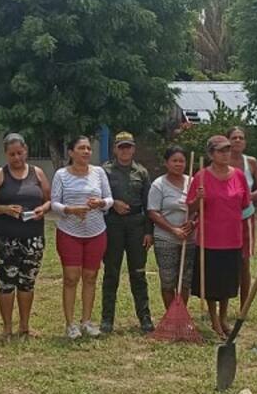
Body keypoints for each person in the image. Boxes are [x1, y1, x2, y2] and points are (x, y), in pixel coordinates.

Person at [0, 133, 51, 339]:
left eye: (20, 153)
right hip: (6, 239)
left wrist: (42, 209)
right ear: (6, 154)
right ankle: (7, 328)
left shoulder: (37, 173)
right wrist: (4, 209)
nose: (17, 158)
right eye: (12, 154)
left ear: (26, 151)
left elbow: (49, 200)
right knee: (6, 283)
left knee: (27, 282)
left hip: (33, 238)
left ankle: (25, 326)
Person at [187, 135, 250, 338]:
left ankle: (224, 318)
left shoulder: (239, 175)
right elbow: (190, 208)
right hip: (210, 239)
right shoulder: (201, 177)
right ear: (211, 154)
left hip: (232, 238)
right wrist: (198, 198)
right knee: (211, 284)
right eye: (221, 150)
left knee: (228, 283)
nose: (225, 154)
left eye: (228, 150)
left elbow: (245, 204)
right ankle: (214, 319)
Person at [51, 136, 112, 339]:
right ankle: (70, 324)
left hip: (96, 231)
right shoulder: (61, 174)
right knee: (71, 278)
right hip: (69, 232)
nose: (86, 151)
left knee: (90, 277)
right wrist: (70, 209)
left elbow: (110, 199)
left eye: (88, 148)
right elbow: (54, 204)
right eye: (81, 148)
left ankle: (86, 321)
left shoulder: (99, 172)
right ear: (71, 152)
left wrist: (101, 202)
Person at [100, 132, 154, 334]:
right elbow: (99, 197)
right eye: (121, 147)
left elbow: (149, 204)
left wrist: (149, 231)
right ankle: (107, 319)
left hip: (137, 226)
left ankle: (145, 317)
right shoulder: (104, 171)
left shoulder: (142, 172)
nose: (125, 150)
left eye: (128, 147)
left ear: (133, 149)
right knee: (111, 273)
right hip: (113, 225)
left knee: (138, 274)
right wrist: (114, 204)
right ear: (115, 149)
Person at [146, 146, 195, 312]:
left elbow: (199, 208)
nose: (178, 164)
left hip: (188, 239)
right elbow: (152, 211)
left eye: (181, 161)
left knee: (185, 280)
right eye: (174, 161)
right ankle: (171, 316)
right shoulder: (159, 185)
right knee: (168, 281)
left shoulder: (193, 182)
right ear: (166, 163)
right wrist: (173, 229)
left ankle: (182, 315)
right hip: (165, 239)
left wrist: (193, 222)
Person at [229, 126, 257, 305]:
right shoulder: (221, 162)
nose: (237, 140)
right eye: (234, 137)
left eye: (241, 138)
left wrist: (248, 197)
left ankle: (244, 305)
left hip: (246, 216)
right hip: (225, 218)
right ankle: (223, 301)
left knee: (244, 261)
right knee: (226, 260)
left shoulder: (251, 162)